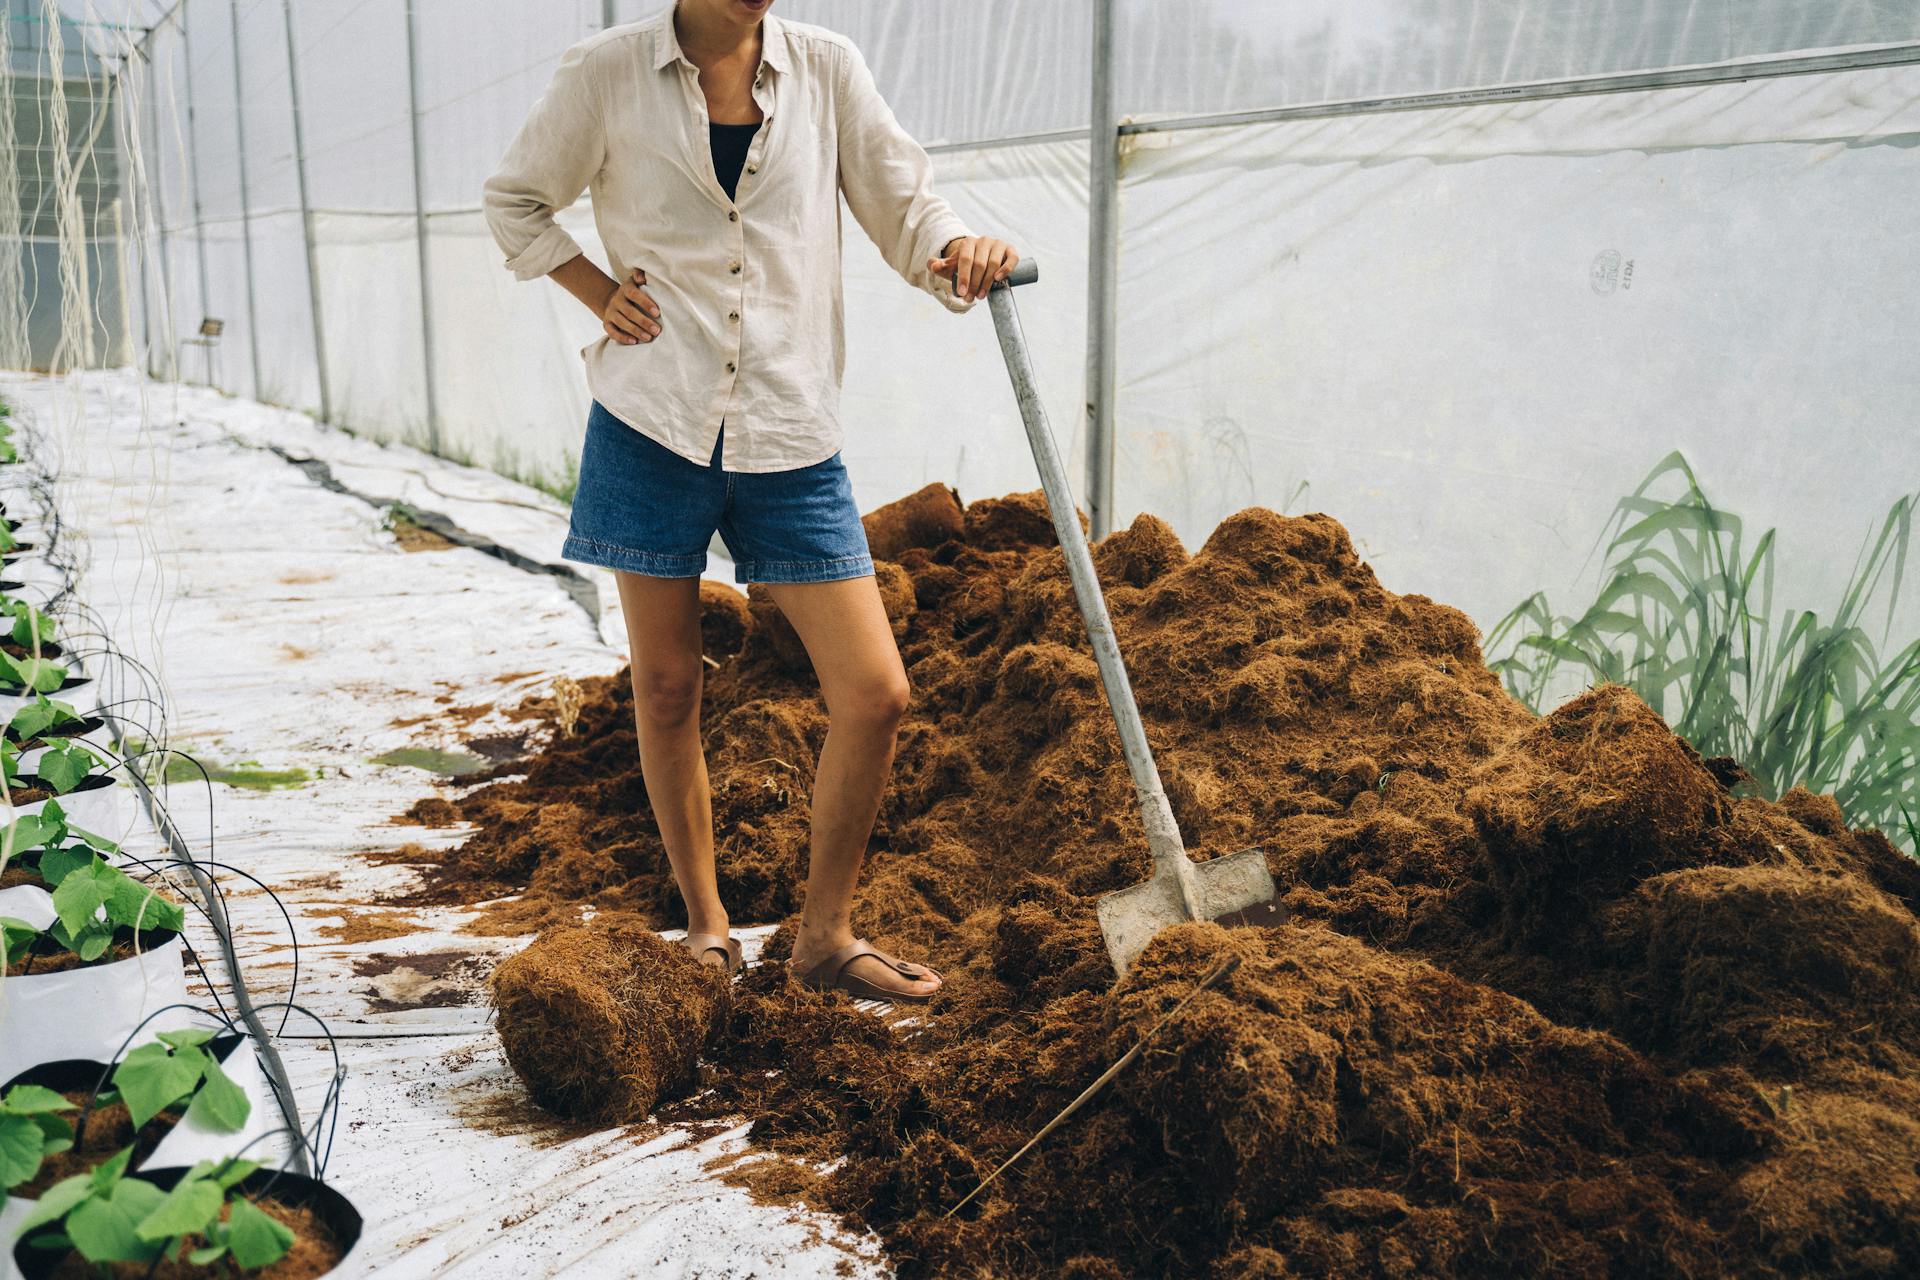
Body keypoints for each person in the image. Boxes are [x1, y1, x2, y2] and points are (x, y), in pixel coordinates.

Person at [481, 0, 1019, 1003]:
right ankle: (706, 925)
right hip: (653, 420)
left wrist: (960, 248)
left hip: (787, 425)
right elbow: (515, 200)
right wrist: (598, 292)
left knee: (874, 691)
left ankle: (823, 936)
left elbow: (908, 209)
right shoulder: (605, 74)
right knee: (669, 686)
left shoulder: (826, 68)